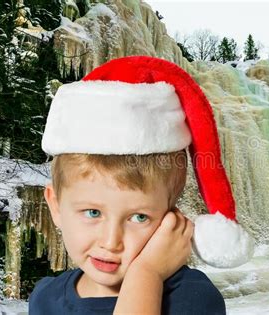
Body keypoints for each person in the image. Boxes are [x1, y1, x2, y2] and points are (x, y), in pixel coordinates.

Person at [28, 56, 255, 314]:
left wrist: (147, 274)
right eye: (93, 212)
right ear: (56, 206)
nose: (111, 242)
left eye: (138, 217)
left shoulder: (193, 299)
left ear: (171, 222)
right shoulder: (44, 298)